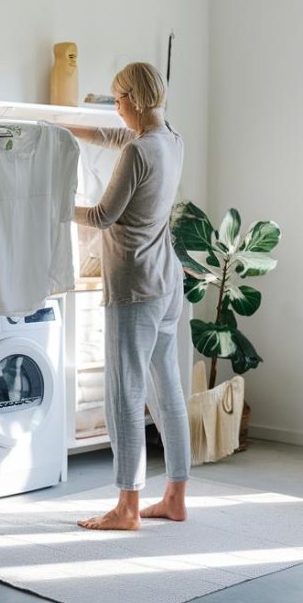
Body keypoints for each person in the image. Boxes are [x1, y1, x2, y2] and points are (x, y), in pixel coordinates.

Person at [67, 62, 190, 531]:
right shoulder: (171, 140)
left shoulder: (140, 150)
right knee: (168, 391)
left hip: (134, 287)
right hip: (167, 281)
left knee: (125, 394)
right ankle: (175, 497)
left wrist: (49, 204)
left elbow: (102, 215)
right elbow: (120, 140)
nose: (115, 109)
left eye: (117, 100)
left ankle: (127, 507)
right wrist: (65, 125)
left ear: (133, 99)